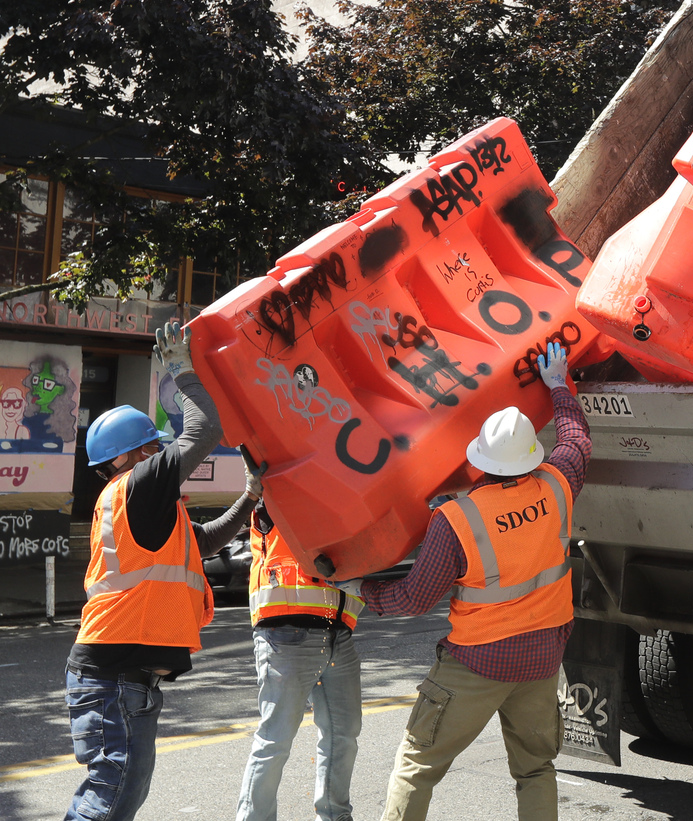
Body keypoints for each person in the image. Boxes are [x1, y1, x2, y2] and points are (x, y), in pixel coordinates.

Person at [347, 340, 590, 821]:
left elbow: (413, 598)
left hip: (478, 663)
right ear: (529, 457)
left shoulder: (458, 519)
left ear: (480, 460)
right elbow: (577, 441)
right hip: (542, 658)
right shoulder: (559, 485)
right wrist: (559, 384)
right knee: (536, 769)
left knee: (418, 764)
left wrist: (361, 591)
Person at [64, 319, 259, 821]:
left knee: (116, 796)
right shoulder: (141, 485)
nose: (161, 452)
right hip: (115, 676)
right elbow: (204, 429)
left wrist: (250, 497)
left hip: (119, 676)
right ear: (132, 455)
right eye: (154, 445)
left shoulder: (140, 505)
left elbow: (205, 541)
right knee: (110, 799)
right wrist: (179, 372)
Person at [235, 496, 365, 821]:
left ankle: (335, 815)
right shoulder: (283, 491)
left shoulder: (342, 493)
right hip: (287, 631)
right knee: (275, 739)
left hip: (337, 633)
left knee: (343, 735)